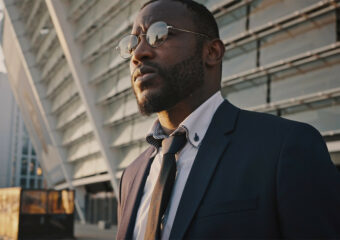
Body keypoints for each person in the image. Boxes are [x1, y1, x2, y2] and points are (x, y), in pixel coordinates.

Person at [116, 0, 340, 239]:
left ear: (212, 52)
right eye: (132, 44)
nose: (138, 54)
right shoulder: (132, 175)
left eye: (158, 35)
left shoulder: (285, 148)